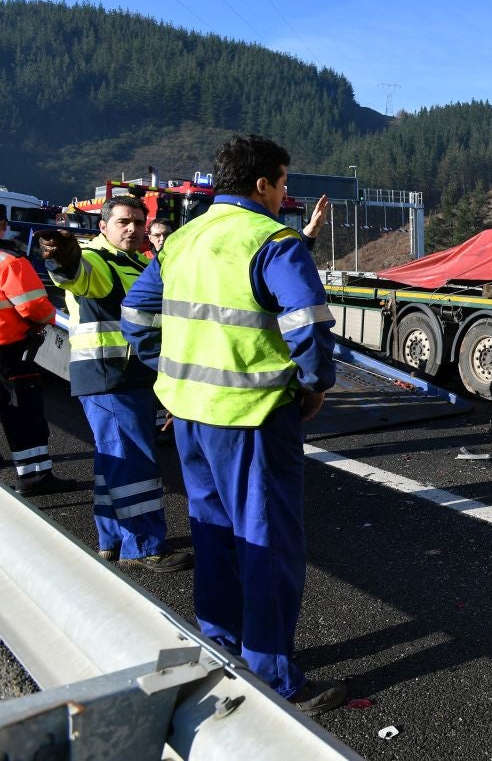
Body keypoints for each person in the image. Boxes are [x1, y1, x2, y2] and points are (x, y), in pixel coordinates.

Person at [122, 134, 345, 715]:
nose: (285, 194)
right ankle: (272, 677)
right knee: (266, 542)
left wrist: (168, 372)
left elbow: (136, 313)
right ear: (262, 184)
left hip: (190, 416)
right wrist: (314, 385)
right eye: (283, 182)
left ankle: (215, 646)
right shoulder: (273, 241)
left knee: (214, 534)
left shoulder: (183, 239)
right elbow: (310, 330)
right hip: (252, 420)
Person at [38, 198, 192, 573]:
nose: (133, 229)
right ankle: (143, 545)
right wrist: (64, 258)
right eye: (124, 221)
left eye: (140, 222)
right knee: (134, 462)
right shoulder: (97, 259)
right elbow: (77, 274)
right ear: (103, 226)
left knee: (115, 461)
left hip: (131, 376)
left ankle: (111, 540)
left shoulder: (137, 262)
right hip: (109, 377)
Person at [0, 211, 72, 496]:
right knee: (23, 413)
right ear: (4, 226)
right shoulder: (11, 264)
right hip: (10, 352)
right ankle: (34, 477)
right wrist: (49, 320)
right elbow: (34, 308)